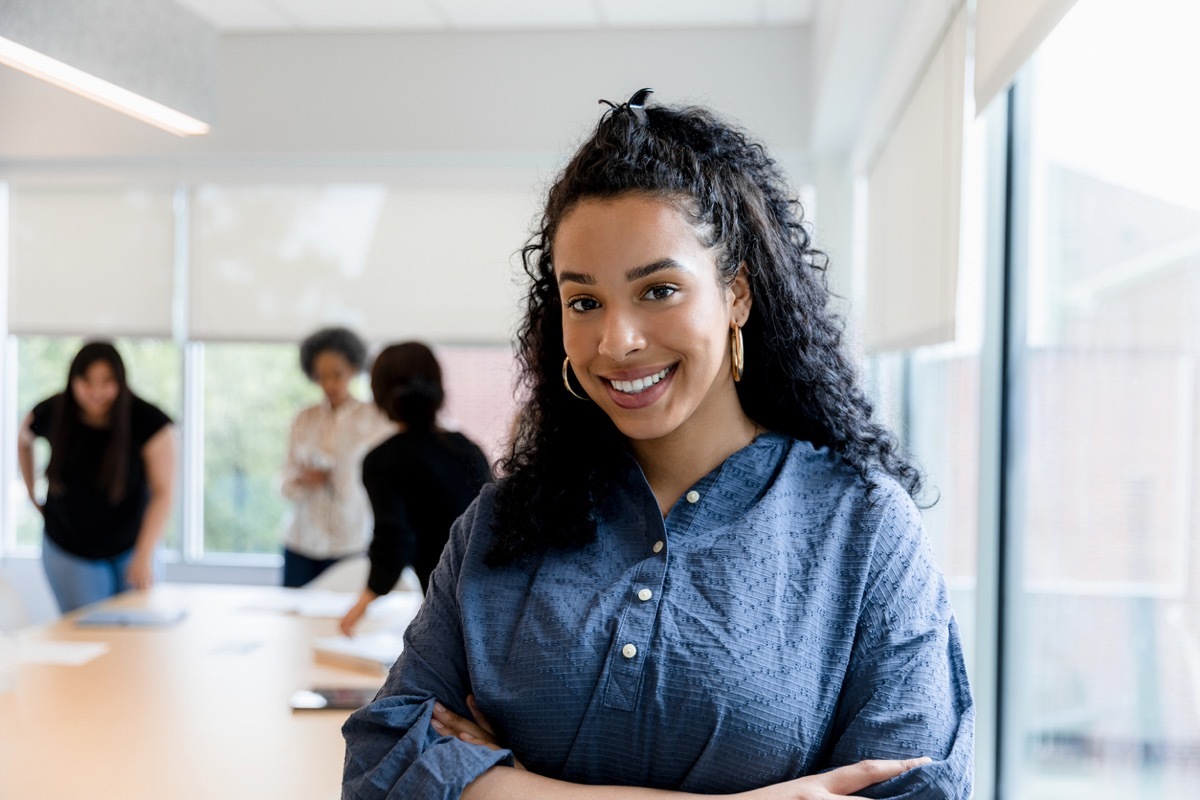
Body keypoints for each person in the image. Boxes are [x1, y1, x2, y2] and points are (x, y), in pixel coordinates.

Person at [342, 90, 973, 799]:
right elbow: (381, 763)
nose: (617, 341)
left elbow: (915, 789)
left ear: (735, 294)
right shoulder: (500, 524)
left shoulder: (863, 528)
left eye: (660, 290)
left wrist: (504, 786)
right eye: (584, 301)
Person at [338, 342, 491, 636]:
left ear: (380, 394)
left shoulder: (382, 460)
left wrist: (362, 604)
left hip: (447, 611)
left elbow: (394, 540)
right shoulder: (467, 449)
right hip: (494, 602)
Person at [17, 342, 176, 614]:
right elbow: (24, 440)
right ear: (73, 381)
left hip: (130, 546)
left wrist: (144, 555)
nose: (96, 392)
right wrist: (31, 493)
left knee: (136, 632)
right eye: (87, 381)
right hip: (70, 547)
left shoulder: (148, 420)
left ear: (120, 381)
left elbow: (164, 492)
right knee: (88, 633)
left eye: (106, 382)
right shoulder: (54, 410)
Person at [280, 327, 395, 588]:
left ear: (354, 369)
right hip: (301, 542)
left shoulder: (375, 420)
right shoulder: (304, 419)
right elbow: (284, 478)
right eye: (321, 376)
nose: (329, 384)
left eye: (337, 374)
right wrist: (301, 480)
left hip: (351, 542)